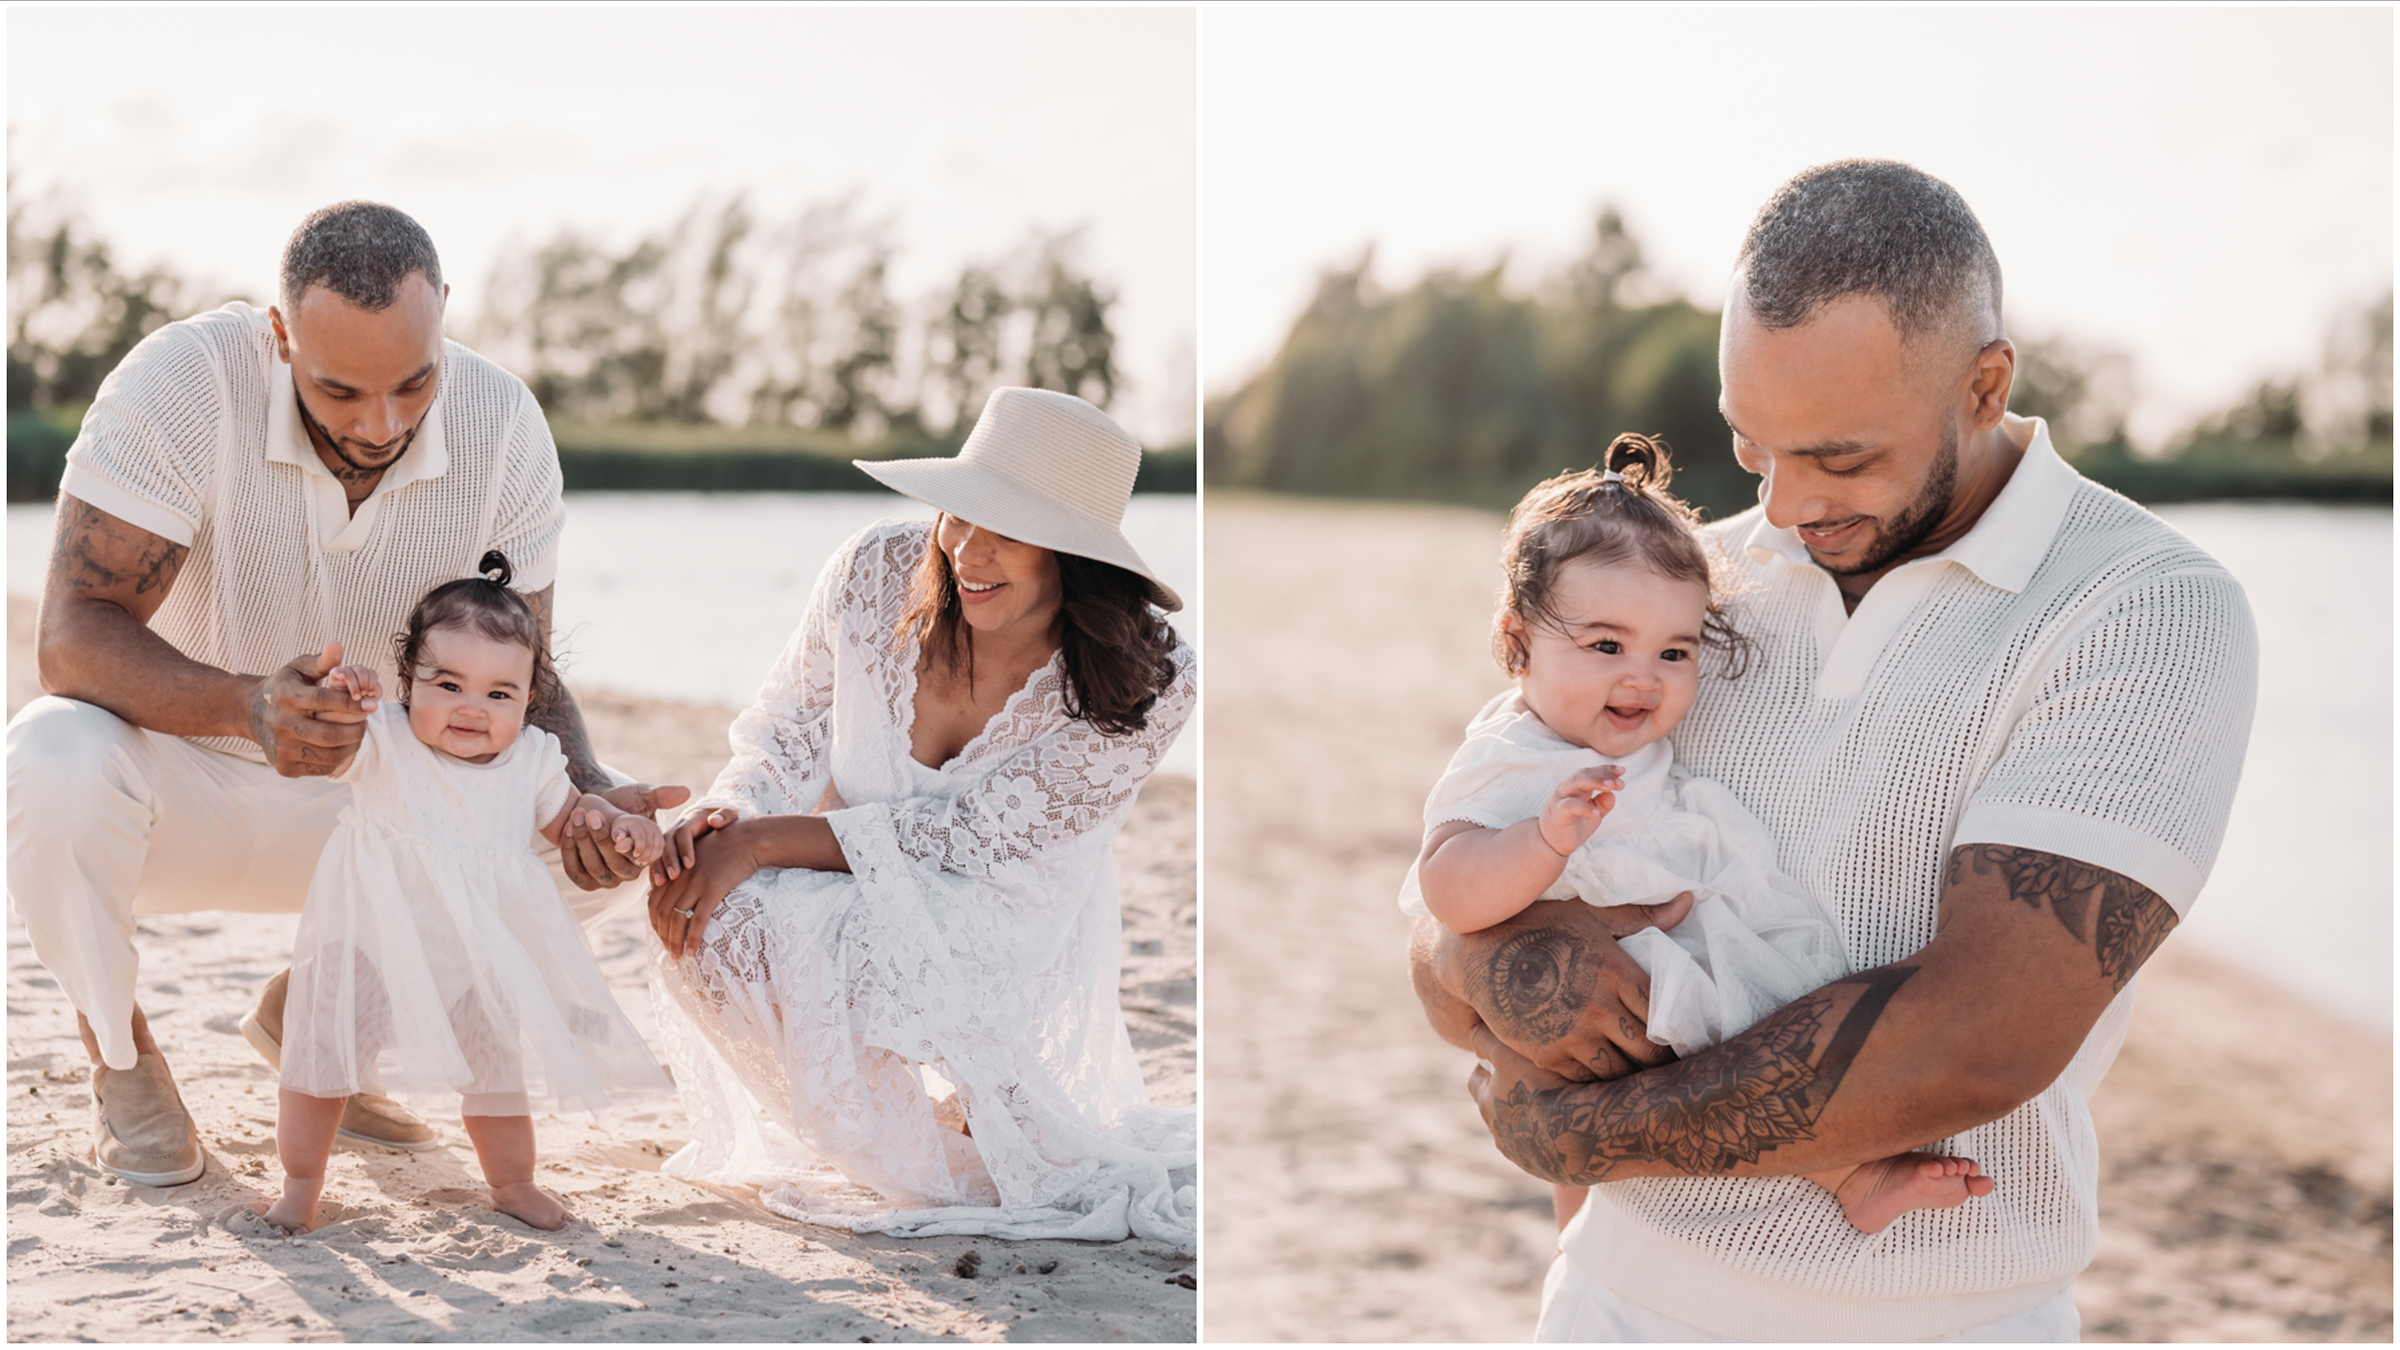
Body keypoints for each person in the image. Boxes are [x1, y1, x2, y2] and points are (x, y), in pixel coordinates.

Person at [1410, 160, 2258, 1341]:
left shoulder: (2143, 609)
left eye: (1842, 458)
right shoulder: (1687, 594)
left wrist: (1574, 1127)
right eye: (1756, 448)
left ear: (1984, 381)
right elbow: (1449, 925)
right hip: (1610, 1300)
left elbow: (1976, 1038)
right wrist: (1493, 958)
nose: (1790, 508)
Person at [6, 201, 681, 1189]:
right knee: (47, 757)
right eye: (341, 392)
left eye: (414, 382)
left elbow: (523, 675)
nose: (384, 424)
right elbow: (71, 636)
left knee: (589, 849)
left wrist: (584, 787)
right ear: (280, 339)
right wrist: (249, 708)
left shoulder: (503, 426)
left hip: (384, 800)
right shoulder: (182, 385)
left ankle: (324, 1018)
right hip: (182, 777)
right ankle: (122, 1059)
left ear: (444, 312)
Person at [1403, 432, 1991, 1239]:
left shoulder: (1626, 725)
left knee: (1749, 1046)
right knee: (1713, 1045)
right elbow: (1445, 888)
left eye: (1674, 652)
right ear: (1516, 642)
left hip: (1671, 949)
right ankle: (1850, 1173)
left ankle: (1591, 1229)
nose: (1642, 676)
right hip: (1627, 979)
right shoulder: (1510, 759)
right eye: (1605, 646)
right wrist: (1541, 843)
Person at [645, 386, 1198, 1244]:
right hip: (848, 865)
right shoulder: (873, 571)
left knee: (856, 944)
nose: (967, 551)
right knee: (704, 918)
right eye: (958, 515)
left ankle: (958, 1153)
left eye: (1007, 531)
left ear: (1073, 554)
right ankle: (901, 1142)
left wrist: (761, 844)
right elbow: (785, 726)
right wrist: (728, 817)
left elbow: (967, 841)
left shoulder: (1155, 680)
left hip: (1007, 907)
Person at [258, 555, 672, 1234]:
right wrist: (344, 693)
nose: (471, 708)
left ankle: (512, 1183)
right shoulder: (386, 738)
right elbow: (328, 742)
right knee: (320, 1063)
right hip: (370, 939)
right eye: (448, 684)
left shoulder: (534, 760)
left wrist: (623, 824)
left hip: (478, 952)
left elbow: (575, 820)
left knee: (495, 1073)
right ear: (408, 681)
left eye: (498, 694)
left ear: (528, 699)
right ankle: (300, 1186)